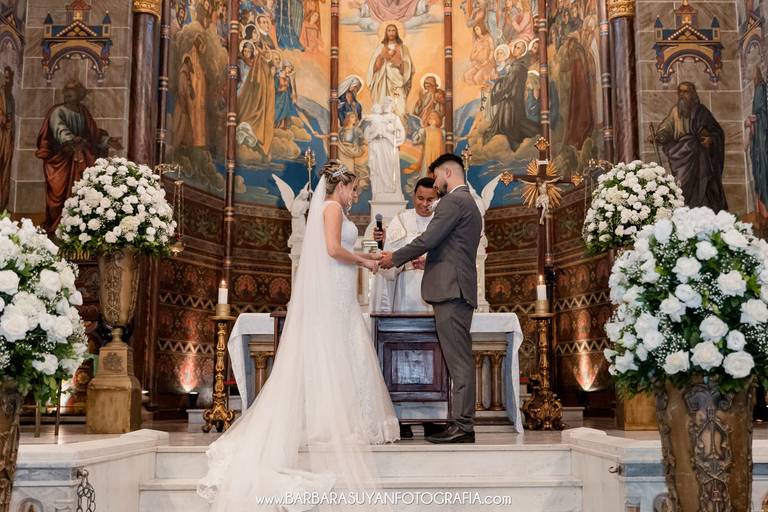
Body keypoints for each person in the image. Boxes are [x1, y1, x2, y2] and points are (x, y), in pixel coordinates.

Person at [198, 161, 399, 509]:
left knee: (342, 350)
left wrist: (366, 255)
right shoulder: (332, 208)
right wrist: (365, 261)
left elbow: (336, 250)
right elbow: (333, 250)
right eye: (353, 189)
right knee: (335, 350)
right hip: (334, 289)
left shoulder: (333, 209)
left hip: (340, 289)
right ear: (341, 186)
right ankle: (327, 422)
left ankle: (341, 418)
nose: (355, 195)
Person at [380, 153, 482, 443]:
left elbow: (428, 239)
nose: (435, 184)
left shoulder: (453, 201)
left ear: (447, 172)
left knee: (458, 361)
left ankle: (463, 426)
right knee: (457, 359)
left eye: (436, 176)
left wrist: (393, 258)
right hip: (456, 287)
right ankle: (460, 423)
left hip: (451, 289)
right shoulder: (469, 203)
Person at [36, 81, 122, 233]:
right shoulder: (58, 111)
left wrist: (107, 141)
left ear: (80, 94)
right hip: (61, 160)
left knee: (81, 192)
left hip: (80, 159)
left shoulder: (83, 112)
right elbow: (59, 129)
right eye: (66, 90)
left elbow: (93, 135)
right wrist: (71, 139)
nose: (67, 93)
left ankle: (77, 228)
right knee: (58, 194)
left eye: (72, 90)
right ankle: (57, 226)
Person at [650, 81, 728, 212]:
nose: (682, 95)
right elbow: (666, 129)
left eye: (685, 92)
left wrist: (711, 140)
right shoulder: (675, 112)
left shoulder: (702, 111)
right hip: (681, 157)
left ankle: (704, 211)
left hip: (700, 157)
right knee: (682, 187)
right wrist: (659, 137)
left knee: (703, 186)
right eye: (680, 91)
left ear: (693, 94)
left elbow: (717, 132)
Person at [373, 177, 438, 313]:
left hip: (435, 284)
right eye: (420, 198)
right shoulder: (401, 219)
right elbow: (388, 256)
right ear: (414, 196)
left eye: (430, 200)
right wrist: (384, 243)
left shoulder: (442, 221)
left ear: (437, 199)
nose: (424, 204)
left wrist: (428, 263)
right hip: (406, 287)